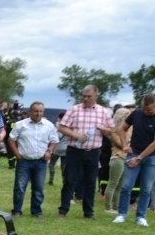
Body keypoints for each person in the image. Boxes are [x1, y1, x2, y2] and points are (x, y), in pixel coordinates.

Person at [56, 85, 114, 219]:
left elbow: (111, 130)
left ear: (96, 97)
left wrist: (103, 129)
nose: (86, 99)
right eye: (84, 96)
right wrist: (75, 135)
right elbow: (62, 127)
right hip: (74, 151)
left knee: (90, 182)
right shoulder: (74, 109)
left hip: (93, 152)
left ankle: (88, 212)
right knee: (69, 180)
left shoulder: (103, 112)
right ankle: (63, 210)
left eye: (89, 96)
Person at [7, 102, 59, 218]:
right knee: (20, 187)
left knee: (38, 188)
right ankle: (16, 210)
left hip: (40, 161)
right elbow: (11, 139)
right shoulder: (20, 124)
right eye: (36, 111)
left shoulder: (49, 125)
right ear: (30, 111)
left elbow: (54, 140)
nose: (38, 113)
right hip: (24, 161)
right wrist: (16, 153)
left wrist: (49, 151)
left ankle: (36, 211)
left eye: (40, 111)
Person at [112, 94, 155, 227]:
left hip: (151, 157)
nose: (146, 112)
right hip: (133, 153)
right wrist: (125, 145)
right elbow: (121, 129)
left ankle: (140, 217)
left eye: (150, 111)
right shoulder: (136, 114)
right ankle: (121, 214)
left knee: (146, 188)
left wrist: (139, 158)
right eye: (144, 109)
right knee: (126, 186)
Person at [104, 108, 132, 214]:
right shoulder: (114, 130)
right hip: (117, 157)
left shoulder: (130, 129)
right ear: (122, 117)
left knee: (120, 185)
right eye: (127, 116)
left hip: (126, 158)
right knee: (113, 183)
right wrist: (128, 142)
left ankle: (116, 207)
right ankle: (108, 207)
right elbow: (121, 144)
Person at [48, 113, 68, 185]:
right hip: (65, 150)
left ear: (59, 118)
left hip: (55, 149)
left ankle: (51, 180)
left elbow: (53, 138)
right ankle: (64, 181)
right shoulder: (69, 127)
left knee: (51, 165)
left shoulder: (56, 127)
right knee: (64, 167)